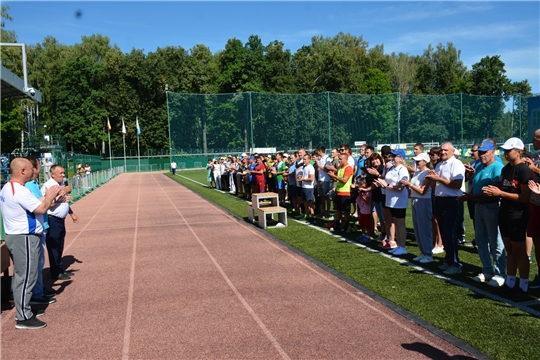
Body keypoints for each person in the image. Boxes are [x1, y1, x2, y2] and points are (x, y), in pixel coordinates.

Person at [0, 158, 60, 329]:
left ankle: (25, 307)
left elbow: (35, 203)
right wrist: (49, 197)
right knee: (26, 276)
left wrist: (49, 197)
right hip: (24, 237)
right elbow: (40, 209)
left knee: (26, 275)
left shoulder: (8, 188)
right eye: (30, 169)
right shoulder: (19, 190)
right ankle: (23, 316)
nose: (34, 171)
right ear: (23, 171)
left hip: (19, 236)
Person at [483, 138, 533, 300]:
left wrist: (500, 194)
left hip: (517, 214)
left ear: (519, 151)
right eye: (504, 150)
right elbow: (506, 186)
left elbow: (525, 197)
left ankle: (524, 286)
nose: (505, 153)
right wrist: (495, 187)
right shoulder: (506, 168)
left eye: (509, 150)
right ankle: (511, 283)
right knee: (509, 250)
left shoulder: (524, 171)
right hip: (504, 213)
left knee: (519, 251)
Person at [458, 140, 506, 286]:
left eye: (484, 152)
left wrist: (471, 196)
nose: (481, 155)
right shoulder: (479, 166)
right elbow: (476, 184)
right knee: (480, 240)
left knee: (495, 241)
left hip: (491, 206)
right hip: (479, 205)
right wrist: (470, 194)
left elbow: (493, 190)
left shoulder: (498, 167)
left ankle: (500, 273)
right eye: (481, 152)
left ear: (493, 152)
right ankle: (487, 270)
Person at [426, 142, 465, 275]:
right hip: (440, 199)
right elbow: (434, 186)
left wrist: (438, 178)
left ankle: (455, 262)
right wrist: (433, 178)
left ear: (452, 151)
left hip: (452, 200)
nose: (442, 152)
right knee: (444, 232)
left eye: (445, 150)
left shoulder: (456, 164)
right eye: (441, 150)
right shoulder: (440, 164)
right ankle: (449, 260)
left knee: (450, 232)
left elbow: (457, 184)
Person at [24, 156, 58, 305]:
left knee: (38, 262)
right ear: (34, 168)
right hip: (35, 228)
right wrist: (51, 197)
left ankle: (39, 290)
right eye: (38, 165)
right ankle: (36, 294)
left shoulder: (33, 184)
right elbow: (40, 205)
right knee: (36, 264)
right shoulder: (29, 185)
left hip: (40, 226)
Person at [42, 165, 80, 281]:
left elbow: (64, 202)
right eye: (61, 173)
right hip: (52, 219)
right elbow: (48, 204)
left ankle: (59, 269)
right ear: (53, 174)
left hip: (60, 220)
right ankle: (55, 272)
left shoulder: (61, 184)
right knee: (54, 246)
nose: (63, 175)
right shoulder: (49, 186)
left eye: (64, 173)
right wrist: (64, 192)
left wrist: (71, 213)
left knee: (59, 246)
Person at [374, 149, 409, 256]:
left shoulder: (402, 169)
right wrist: (382, 183)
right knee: (395, 222)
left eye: (395, 156)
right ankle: (398, 245)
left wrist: (387, 186)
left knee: (400, 223)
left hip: (399, 200)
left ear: (401, 158)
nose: (392, 158)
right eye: (392, 156)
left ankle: (402, 246)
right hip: (391, 200)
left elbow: (401, 187)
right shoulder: (392, 168)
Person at [401, 152, 433, 263]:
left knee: (424, 227)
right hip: (415, 200)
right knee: (418, 228)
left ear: (425, 162)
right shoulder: (417, 173)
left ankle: (428, 253)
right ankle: (423, 251)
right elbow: (415, 189)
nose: (416, 163)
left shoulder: (428, 173)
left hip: (423, 201)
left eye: (419, 161)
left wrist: (409, 185)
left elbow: (422, 191)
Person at [524, 128, 540, 289]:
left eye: (534, 139)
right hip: (534, 202)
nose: (532, 141)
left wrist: (534, 169)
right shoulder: (534, 157)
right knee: (537, 241)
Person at [328, 153, 353, 232]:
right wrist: (333, 176)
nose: (339, 160)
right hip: (338, 191)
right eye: (339, 159)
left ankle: (346, 225)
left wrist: (334, 176)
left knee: (345, 211)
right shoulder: (339, 168)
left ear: (346, 159)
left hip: (345, 192)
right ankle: (338, 224)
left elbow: (344, 180)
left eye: (341, 159)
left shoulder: (348, 168)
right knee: (337, 209)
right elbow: (338, 179)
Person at [297, 154, 316, 223]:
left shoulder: (310, 167)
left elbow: (311, 178)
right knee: (305, 202)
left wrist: (303, 179)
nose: (304, 160)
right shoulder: (305, 167)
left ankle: (312, 217)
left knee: (310, 203)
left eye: (305, 159)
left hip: (309, 188)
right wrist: (301, 177)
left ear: (309, 160)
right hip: (304, 187)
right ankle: (307, 216)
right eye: (303, 159)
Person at [355, 178, 374, 243]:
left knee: (367, 223)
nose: (360, 186)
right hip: (362, 210)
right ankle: (363, 234)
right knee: (361, 222)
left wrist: (362, 196)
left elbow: (367, 202)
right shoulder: (362, 192)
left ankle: (368, 235)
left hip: (367, 210)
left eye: (361, 184)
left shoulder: (368, 193)